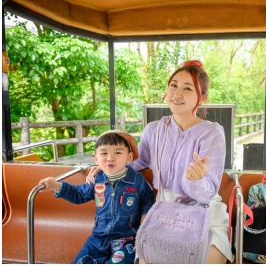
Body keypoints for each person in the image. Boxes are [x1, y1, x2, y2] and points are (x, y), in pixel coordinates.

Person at [86, 60, 232, 263]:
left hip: (203, 212)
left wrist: (196, 180)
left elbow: (207, 193)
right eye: (173, 85)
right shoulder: (153, 129)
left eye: (187, 88)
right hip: (163, 209)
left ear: (203, 96)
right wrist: (108, 167)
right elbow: (140, 162)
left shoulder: (212, 133)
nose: (177, 93)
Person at [39, 130, 154, 264]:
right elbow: (78, 194)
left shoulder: (138, 181)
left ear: (129, 157)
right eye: (104, 153)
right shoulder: (96, 180)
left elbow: (147, 203)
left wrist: (144, 229)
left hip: (126, 240)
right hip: (98, 238)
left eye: (117, 152)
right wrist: (57, 185)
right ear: (96, 158)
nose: (110, 158)